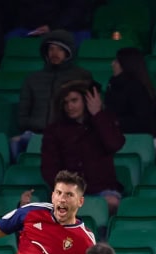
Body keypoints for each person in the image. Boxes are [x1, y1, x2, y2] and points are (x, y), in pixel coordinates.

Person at [41, 80, 126, 215]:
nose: (70, 106)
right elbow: (49, 168)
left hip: (102, 190)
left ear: (86, 100)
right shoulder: (55, 130)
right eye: (66, 102)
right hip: (69, 192)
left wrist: (98, 114)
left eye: (74, 101)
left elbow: (115, 144)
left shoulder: (102, 120)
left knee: (111, 203)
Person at [12, 29, 91, 162]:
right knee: (15, 143)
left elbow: (89, 112)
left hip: (69, 133)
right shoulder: (32, 79)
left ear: (68, 52)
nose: (55, 53)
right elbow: (22, 117)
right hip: (36, 134)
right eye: (51, 49)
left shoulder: (81, 76)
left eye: (60, 49)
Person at [104, 47, 156, 136]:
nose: (112, 64)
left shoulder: (139, 89)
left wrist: (117, 122)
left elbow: (142, 122)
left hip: (135, 141)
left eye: (117, 61)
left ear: (126, 64)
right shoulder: (113, 84)